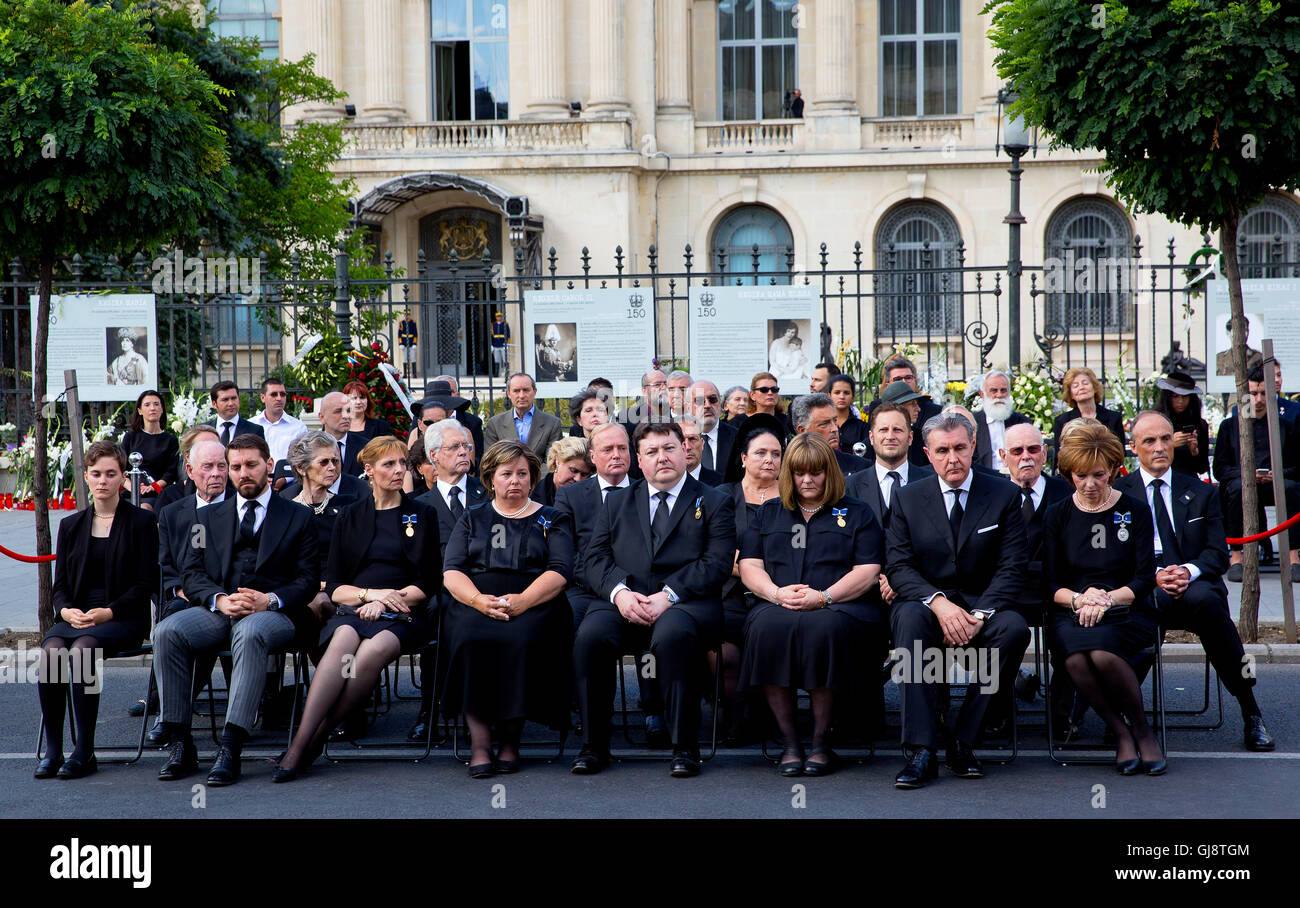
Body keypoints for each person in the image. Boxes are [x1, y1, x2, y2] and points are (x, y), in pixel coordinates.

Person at [153, 434, 320, 786]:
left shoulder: (299, 517)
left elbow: (307, 580)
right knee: (167, 631)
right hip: (220, 608)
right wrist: (220, 599)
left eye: (251, 465)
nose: (243, 473)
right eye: (236, 466)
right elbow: (191, 572)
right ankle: (180, 742)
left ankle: (231, 746)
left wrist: (268, 600)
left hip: (278, 613)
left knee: (250, 631)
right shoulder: (207, 516)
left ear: (269, 466)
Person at [572, 422, 736, 777]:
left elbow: (717, 563)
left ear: (685, 451)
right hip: (624, 598)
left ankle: (684, 747)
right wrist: (620, 593)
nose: (662, 457)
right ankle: (594, 746)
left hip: (687, 603)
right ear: (638, 461)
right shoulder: (617, 502)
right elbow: (592, 560)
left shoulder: (714, 501)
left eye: (669, 448)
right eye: (651, 452)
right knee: (590, 637)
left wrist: (669, 595)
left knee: (673, 636)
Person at [272, 437, 441, 782]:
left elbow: (429, 582)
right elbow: (335, 586)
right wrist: (369, 596)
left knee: (370, 653)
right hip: (357, 609)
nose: (398, 471)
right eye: (389, 465)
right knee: (343, 641)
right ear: (368, 470)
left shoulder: (422, 513)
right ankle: (303, 741)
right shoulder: (350, 515)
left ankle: (311, 740)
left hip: (405, 612)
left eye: (402, 464)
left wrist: (385, 601)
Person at [885, 412, 1031, 789]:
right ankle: (921, 749)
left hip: (984, 603)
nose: (953, 459)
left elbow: (1013, 567)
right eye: (943, 450)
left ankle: (962, 739)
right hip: (928, 604)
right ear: (928, 454)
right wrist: (939, 603)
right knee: (909, 621)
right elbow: (899, 566)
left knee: (1014, 630)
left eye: (961, 448)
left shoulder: (1003, 493)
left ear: (973, 448)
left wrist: (979, 613)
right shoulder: (907, 498)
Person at [1118, 411, 1274, 751]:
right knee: (1139, 615)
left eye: (1164, 439)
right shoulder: (1120, 492)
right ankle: (1125, 715)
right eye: (1149, 441)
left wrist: (1185, 572)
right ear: (1134, 447)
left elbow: (1217, 554)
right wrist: (1154, 577)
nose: (1160, 447)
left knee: (1207, 605)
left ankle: (1251, 712)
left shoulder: (1200, 491)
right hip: (1145, 585)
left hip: (1194, 583)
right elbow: (1115, 558)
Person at [738, 433, 886, 775]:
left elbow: (868, 570)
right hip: (779, 603)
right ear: (788, 474)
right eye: (799, 473)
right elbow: (749, 565)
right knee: (765, 626)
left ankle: (821, 744)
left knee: (824, 627)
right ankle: (791, 743)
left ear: (828, 472)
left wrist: (825, 597)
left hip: (842, 606)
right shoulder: (768, 514)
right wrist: (776, 594)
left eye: (815, 472)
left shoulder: (858, 513)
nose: (807, 480)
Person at [441, 440, 575, 777]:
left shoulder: (551, 518)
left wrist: (524, 601)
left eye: (522, 473)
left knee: (520, 641)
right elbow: (452, 570)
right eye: (506, 474)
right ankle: (481, 743)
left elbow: (560, 570)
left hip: (535, 601)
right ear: (490, 478)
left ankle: (512, 740)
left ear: (532, 478)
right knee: (470, 639)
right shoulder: (472, 518)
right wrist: (478, 601)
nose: (514, 480)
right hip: (476, 600)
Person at [1042, 421, 1166, 774]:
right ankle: (1121, 732)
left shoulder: (1136, 510)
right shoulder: (1057, 515)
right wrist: (1082, 600)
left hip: (1127, 607)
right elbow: (1049, 583)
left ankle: (1143, 731)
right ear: (1069, 475)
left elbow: (1144, 578)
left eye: (1099, 474)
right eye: (1081, 476)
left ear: (1113, 469)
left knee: (1101, 652)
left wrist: (1108, 599)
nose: (1090, 484)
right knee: (1077, 658)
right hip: (1072, 610)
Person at [36, 442, 159, 779]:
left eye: (110, 474)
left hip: (122, 616)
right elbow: (59, 587)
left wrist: (109, 611)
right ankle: (53, 749)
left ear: (123, 477)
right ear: (86, 478)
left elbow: (145, 584)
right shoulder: (71, 525)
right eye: (96, 474)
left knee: (82, 650)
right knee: (53, 652)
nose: (103, 481)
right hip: (77, 615)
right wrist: (65, 613)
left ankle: (84, 750)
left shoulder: (141, 522)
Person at [408, 418, 486, 740]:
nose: (463, 452)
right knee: (437, 615)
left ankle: (479, 710)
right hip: (438, 592)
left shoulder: (488, 494)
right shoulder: (417, 507)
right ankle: (431, 708)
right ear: (434, 456)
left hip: (484, 588)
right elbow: (414, 561)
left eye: (466, 446)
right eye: (454, 447)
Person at [715, 414, 787, 744]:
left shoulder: (793, 499)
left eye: (775, 453)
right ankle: (736, 712)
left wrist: (746, 564)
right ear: (743, 458)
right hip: (727, 593)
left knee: (771, 633)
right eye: (760, 453)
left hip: (778, 593)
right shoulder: (721, 497)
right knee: (725, 653)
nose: (769, 459)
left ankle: (767, 715)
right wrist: (751, 566)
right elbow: (712, 552)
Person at [1213, 364, 1300, 580]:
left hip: (1276, 482)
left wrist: (1276, 474)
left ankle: (1293, 557)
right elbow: (1220, 469)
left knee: (1292, 489)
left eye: (1263, 393)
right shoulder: (1228, 426)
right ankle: (1236, 558)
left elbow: (1297, 466)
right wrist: (1246, 475)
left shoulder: (1286, 426)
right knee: (1233, 490)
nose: (1259, 399)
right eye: (1253, 394)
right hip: (1242, 482)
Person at [283, 430, 358, 625]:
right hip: (298, 587)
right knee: (319, 604)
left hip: (341, 586)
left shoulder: (347, 505)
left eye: (335, 461)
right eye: (324, 462)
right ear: (301, 468)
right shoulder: (285, 509)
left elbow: (355, 555)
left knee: (326, 603)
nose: (332, 467)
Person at [846, 402, 934, 531]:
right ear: (871, 437)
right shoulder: (850, 486)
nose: (890, 436)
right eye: (883, 430)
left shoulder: (932, 483)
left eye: (897, 430)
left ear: (910, 437)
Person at [483, 372, 565, 471]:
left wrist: (530, 479)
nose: (521, 396)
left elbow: (552, 462)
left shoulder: (552, 423)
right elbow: (490, 461)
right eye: (516, 391)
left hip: (540, 482)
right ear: (508, 393)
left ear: (534, 391)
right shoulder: (495, 424)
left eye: (526, 390)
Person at [1051, 366, 1126, 466]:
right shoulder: (1062, 421)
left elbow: (1120, 453)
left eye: (1085, 383)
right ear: (1071, 394)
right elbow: (1059, 456)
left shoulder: (1114, 418)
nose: (1081, 387)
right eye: (1075, 385)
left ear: (1094, 388)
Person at [120, 389, 179, 511]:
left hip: (157, 492)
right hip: (130, 492)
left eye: (156, 404)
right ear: (140, 411)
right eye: (147, 405)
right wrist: (133, 488)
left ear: (162, 409)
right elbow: (121, 469)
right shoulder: (131, 437)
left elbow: (170, 473)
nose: (153, 408)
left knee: (143, 509)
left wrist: (152, 487)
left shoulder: (170, 440)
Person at [790, 392, 871, 478]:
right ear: (802, 430)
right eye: (824, 424)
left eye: (835, 421)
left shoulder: (861, 467)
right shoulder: (788, 468)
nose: (835, 429)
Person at [973, 370, 1031, 472]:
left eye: (1003, 390)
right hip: (985, 479)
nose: (999, 395)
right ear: (982, 394)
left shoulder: (1022, 422)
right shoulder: (973, 423)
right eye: (994, 390)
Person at [1154, 370, 1209, 476]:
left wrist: (1194, 452)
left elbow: (1202, 468)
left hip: (1188, 479)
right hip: (1160, 477)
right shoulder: (1155, 421)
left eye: (1185, 396)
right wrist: (1169, 443)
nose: (1180, 401)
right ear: (1168, 397)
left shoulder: (1199, 425)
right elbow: (1147, 460)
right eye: (1175, 396)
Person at [251, 377, 306, 474]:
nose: (279, 398)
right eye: (274, 394)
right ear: (263, 398)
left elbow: (302, 459)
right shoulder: (251, 425)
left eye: (283, 394)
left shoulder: (298, 427)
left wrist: (285, 478)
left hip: (289, 482)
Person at [316, 390, 368, 478]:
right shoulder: (311, 447)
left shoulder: (365, 446)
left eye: (348, 410)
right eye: (338, 411)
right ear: (322, 417)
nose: (346, 416)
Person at [689, 380, 738, 472]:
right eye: (700, 401)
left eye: (712, 400)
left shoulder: (737, 437)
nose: (707, 405)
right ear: (688, 407)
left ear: (720, 403)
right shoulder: (678, 439)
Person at [531, 436, 593, 506]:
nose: (578, 479)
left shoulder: (592, 499)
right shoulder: (531, 494)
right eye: (573, 470)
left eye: (584, 474)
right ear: (558, 461)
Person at [205, 380, 265, 445]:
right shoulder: (204, 431)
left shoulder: (254, 430)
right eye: (225, 400)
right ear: (214, 404)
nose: (231, 403)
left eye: (234, 398)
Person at [827, 374, 869, 455]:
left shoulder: (863, 427)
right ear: (829, 395)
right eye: (837, 392)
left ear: (852, 397)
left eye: (846, 393)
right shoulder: (824, 425)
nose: (842, 397)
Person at [677, 414, 723, 486]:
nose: (688, 447)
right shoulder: (660, 483)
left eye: (692, 439)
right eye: (681, 440)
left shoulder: (721, 483)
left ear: (702, 444)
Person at [746, 371, 792, 436]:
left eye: (774, 389)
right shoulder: (739, 422)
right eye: (764, 389)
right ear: (752, 395)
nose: (770, 393)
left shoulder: (787, 422)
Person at [398, 309, 418, 379]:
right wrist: (400, 343)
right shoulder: (402, 323)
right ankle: (405, 374)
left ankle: (414, 374)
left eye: (408, 315)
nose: (407, 316)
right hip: (404, 342)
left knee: (413, 358)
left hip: (411, 342)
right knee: (405, 359)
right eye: (406, 315)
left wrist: (415, 343)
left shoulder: (413, 322)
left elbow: (415, 333)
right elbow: (399, 334)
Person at [489, 310, 510, 376]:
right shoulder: (493, 325)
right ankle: (496, 374)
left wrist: (507, 344)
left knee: (505, 360)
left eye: (500, 316)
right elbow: (492, 335)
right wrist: (491, 345)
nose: (499, 317)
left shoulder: (505, 324)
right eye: (497, 316)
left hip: (503, 344)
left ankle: (506, 374)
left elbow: (508, 335)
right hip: (495, 344)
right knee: (496, 360)